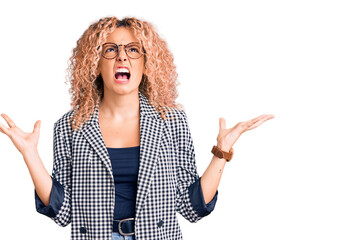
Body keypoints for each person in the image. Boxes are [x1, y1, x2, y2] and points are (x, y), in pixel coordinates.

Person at [0, 16, 274, 240]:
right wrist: (29, 154)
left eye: (133, 49)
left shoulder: (172, 121)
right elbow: (64, 212)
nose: (122, 57)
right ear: (94, 64)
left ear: (147, 63)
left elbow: (191, 208)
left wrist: (221, 152)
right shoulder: (69, 126)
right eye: (110, 49)